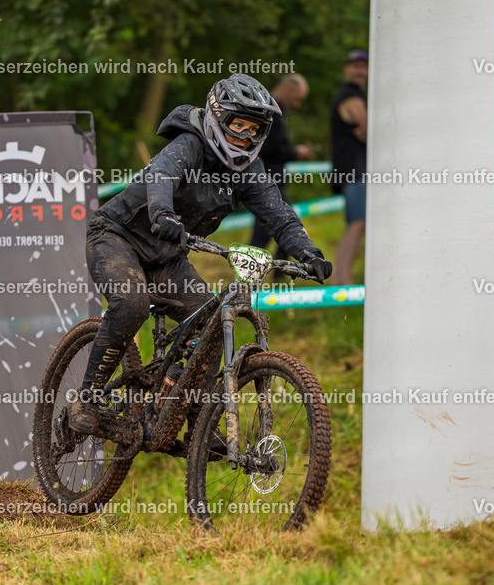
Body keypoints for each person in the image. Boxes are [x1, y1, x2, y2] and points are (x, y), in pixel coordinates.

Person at [71, 73, 333, 433]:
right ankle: (86, 399)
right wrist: (162, 213)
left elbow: (280, 215)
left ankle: (199, 431)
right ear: (216, 116)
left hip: (166, 257)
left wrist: (308, 253)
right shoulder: (189, 145)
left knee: (210, 327)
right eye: (237, 125)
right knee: (131, 303)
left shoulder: (247, 171)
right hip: (117, 237)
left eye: (255, 130)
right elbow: (161, 176)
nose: (245, 137)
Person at [248, 73, 314, 261]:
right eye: (297, 98)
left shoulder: (277, 111)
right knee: (277, 225)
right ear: (288, 90)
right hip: (268, 177)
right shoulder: (272, 113)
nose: (298, 104)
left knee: (283, 223)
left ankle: (277, 269)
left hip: (271, 176)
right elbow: (270, 149)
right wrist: (295, 153)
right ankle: (249, 271)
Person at [330, 49, 369, 286]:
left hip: (351, 171)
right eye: (354, 66)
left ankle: (340, 280)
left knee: (356, 224)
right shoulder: (350, 97)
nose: (359, 70)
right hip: (354, 171)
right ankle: (342, 281)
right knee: (358, 223)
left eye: (363, 66)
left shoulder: (352, 95)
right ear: (346, 69)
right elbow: (369, 131)